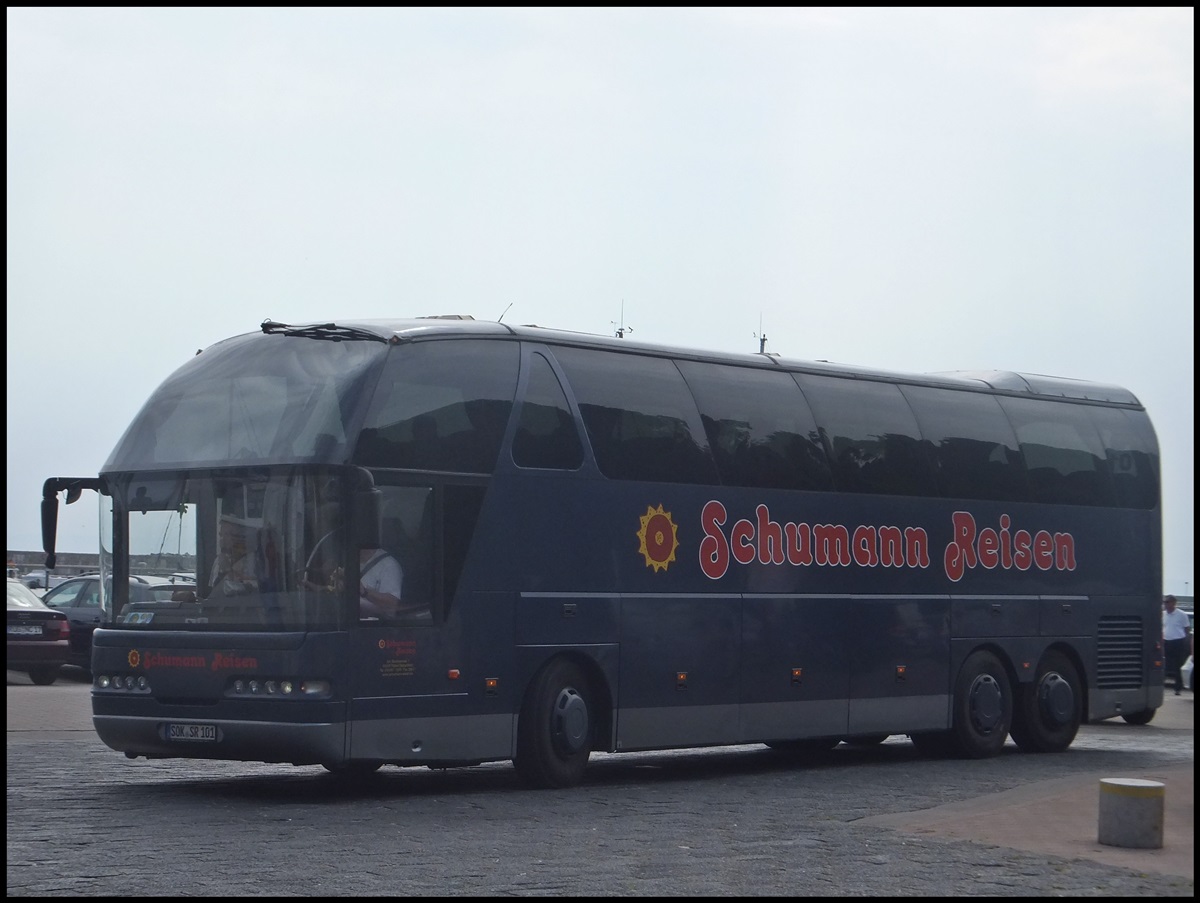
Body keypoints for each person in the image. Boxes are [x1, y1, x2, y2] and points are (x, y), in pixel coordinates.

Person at [357, 546, 403, 619]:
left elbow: (392, 605)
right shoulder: (347, 559)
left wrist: (364, 592)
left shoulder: (389, 565)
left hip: (374, 626)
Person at [1162, 594, 1191, 695]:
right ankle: (1161, 685)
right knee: (1163, 663)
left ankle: (1178, 687)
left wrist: (1185, 641)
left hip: (1178, 642)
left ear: (1174, 603)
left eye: (1167, 602)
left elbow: (1187, 629)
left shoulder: (1181, 614)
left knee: (1177, 665)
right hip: (1165, 641)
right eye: (1165, 602)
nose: (1165, 604)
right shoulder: (1163, 614)